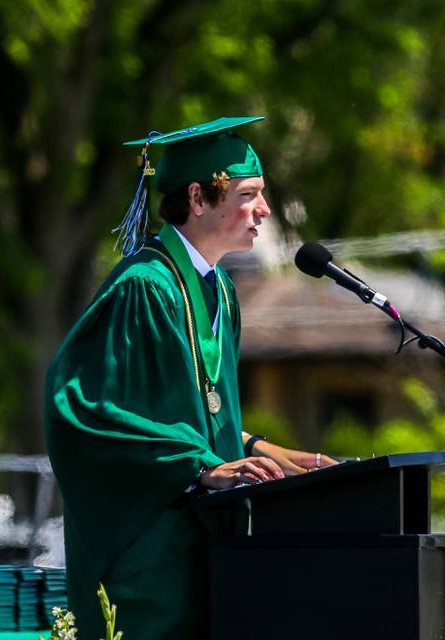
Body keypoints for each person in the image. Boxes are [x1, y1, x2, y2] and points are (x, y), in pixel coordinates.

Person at [44, 116, 337, 640]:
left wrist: (268, 452)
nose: (265, 211)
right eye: (249, 195)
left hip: (208, 548)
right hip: (150, 560)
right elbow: (85, 411)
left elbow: (198, 411)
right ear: (199, 198)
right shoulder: (143, 287)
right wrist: (202, 465)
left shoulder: (218, 290)